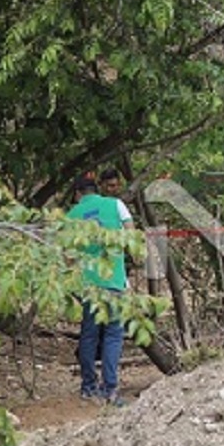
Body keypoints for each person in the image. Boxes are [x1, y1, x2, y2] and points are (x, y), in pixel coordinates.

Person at [67, 173, 133, 406]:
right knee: (113, 335)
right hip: (114, 280)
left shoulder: (72, 214)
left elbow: (67, 256)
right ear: (96, 189)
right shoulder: (116, 204)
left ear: (77, 194)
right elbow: (131, 235)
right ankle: (110, 389)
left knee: (89, 335)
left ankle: (88, 387)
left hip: (88, 285)